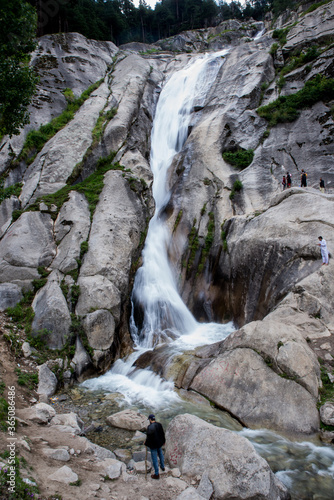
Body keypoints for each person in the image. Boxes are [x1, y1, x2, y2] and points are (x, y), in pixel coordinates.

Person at [144, 414, 165, 480]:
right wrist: (163, 441)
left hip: (153, 445)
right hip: (159, 443)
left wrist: (146, 443)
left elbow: (149, 438)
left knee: (155, 458)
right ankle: (163, 466)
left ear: (150, 419)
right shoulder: (159, 425)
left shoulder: (149, 427)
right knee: (161, 454)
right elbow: (162, 434)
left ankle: (156, 474)